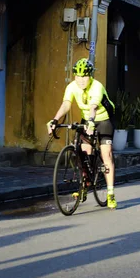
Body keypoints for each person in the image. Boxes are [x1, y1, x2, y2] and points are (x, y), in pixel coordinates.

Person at [47, 58, 117, 209]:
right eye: (78, 76)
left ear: (90, 75)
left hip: (104, 120)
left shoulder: (97, 86)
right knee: (83, 153)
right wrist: (54, 120)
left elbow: (93, 106)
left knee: (107, 154)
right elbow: (66, 104)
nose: (81, 80)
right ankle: (85, 185)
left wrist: (91, 120)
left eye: (85, 76)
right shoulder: (72, 87)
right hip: (87, 119)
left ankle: (110, 193)